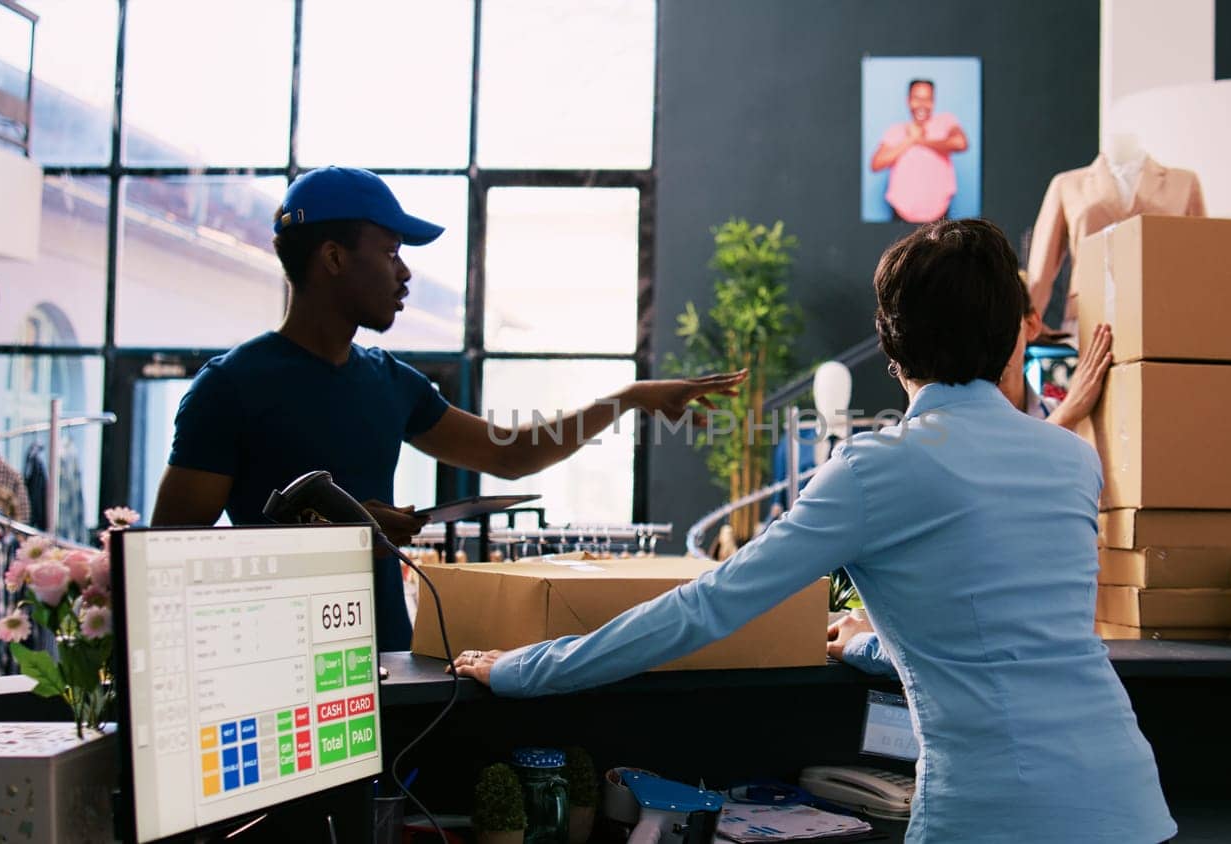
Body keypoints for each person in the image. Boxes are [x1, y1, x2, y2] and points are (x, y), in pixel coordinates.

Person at [453, 219, 1176, 843]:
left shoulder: (877, 469)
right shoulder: (1070, 460)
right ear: (1011, 341)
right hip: (1130, 798)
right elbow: (1010, 640)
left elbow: (706, 609)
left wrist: (522, 670)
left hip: (1000, 812)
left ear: (892, 349)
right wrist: (867, 645)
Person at [150, 166, 745, 652]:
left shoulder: (388, 381)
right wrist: (337, 532)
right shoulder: (229, 387)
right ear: (332, 257)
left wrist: (629, 398)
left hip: (381, 657)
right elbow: (171, 559)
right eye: (389, 251)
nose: (405, 272)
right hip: (268, 663)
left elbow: (509, 455)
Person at [998, 276, 1114, 429]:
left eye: (1002, 320)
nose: (991, 336)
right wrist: (1065, 416)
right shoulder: (1068, 413)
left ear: (1031, 325)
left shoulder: (1059, 411)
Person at [869, 79, 969, 223]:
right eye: (917, 98)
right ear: (908, 100)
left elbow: (960, 143)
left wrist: (920, 140)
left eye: (927, 99)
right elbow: (876, 163)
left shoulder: (946, 121)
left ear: (933, 101)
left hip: (940, 216)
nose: (922, 104)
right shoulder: (896, 130)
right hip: (901, 217)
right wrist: (909, 140)